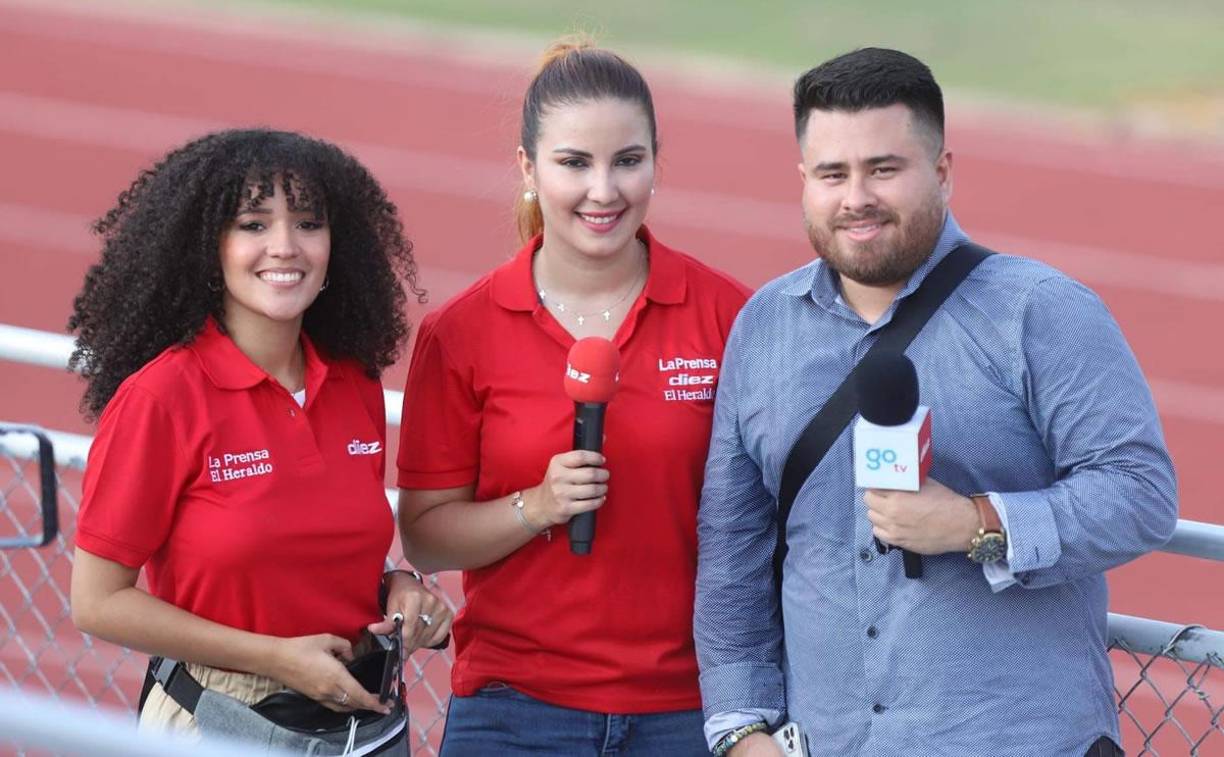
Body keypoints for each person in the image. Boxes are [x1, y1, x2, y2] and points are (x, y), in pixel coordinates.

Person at [694, 48, 1177, 757]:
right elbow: (733, 550)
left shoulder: (1041, 312)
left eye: (884, 169)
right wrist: (742, 730)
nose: (856, 196)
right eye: (833, 173)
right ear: (804, 181)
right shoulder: (762, 329)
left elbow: (1141, 495)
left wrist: (974, 522)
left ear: (943, 171)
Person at [395, 38, 750, 756]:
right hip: (514, 711)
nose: (603, 190)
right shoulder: (462, 332)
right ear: (528, 168)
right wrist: (538, 506)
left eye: (627, 160)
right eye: (574, 163)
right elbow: (426, 535)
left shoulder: (729, 315)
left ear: (656, 159)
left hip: (689, 709)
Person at [68, 129, 452, 748]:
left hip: (363, 722)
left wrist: (396, 588)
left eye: (307, 223)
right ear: (207, 246)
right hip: (219, 719)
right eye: (252, 223)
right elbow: (97, 602)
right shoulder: (160, 399)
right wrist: (275, 657)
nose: (285, 246)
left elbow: (304, 544)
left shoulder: (354, 384)